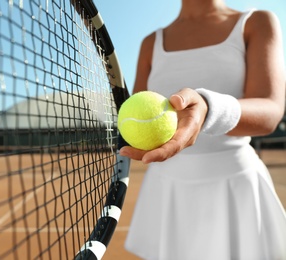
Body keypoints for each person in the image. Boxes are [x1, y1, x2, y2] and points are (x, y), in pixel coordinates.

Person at [121, 0, 286, 259]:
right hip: (167, 189)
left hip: (234, 187)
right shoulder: (151, 42)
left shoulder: (257, 21)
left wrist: (209, 107)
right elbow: (133, 113)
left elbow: (270, 111)